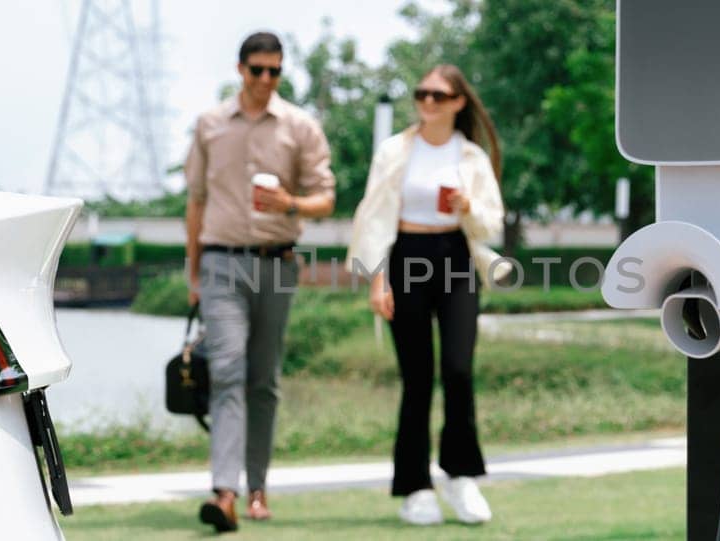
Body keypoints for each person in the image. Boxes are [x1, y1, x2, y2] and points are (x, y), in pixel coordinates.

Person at [183, 31, 335, 534]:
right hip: (221, 263)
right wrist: (193, 270)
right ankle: (224, 492)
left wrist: (290, 202)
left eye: (275, 71)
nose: (266, 80)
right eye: (258, 70)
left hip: (277, 264)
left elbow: (325, 199)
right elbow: (196, 202)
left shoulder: (300, 126)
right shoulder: (209, 125)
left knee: (263, 380)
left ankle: (258, 487)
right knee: (226, 370)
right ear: (240, 69)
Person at [345, 64, 511, 526]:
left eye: (439, 95)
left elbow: (492, 222)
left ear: (458, 102)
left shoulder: (471, 156)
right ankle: (415, 487)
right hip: (407, 255)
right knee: (417, 379)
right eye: (422, 94)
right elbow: (374, 217)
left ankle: (461, 478)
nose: (428, 102)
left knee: (458, 369)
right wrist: (377, 281)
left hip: (456, 255)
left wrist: (467, 206)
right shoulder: (395, 150)